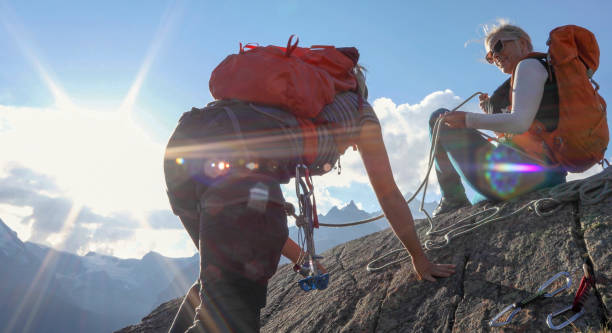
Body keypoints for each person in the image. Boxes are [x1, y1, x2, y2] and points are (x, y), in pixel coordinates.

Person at [163, 61, 456, 332]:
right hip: (234, 163)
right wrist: (420, 259)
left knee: (217, 277)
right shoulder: (360, 111)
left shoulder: (280, 105)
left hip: (184, 145)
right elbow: (389, 194)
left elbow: (259, 227)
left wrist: (301, 258)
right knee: (232, 314)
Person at [430, 23, 567, 216]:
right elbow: (521, 134)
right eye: (489, 56)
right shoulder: (545, 70)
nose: (495, 56)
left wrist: (468, 120)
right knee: (479, 199)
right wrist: (491, 116)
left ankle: (452, 200)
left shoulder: (528, 65)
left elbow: (519, 122)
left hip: (524, 176)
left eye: (498, 47)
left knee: (438, 118)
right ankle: (464, 198)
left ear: (523, 43)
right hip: (549, 175)